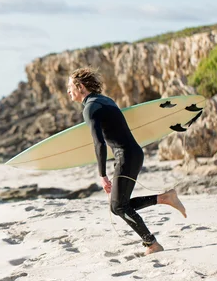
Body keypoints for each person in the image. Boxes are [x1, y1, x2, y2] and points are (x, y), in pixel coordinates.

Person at [66, 67, 187, 255]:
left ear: (80, 86)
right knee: (119, 205)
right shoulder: (106, 101)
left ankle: (152, 243)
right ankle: (165, 198)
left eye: (70, 87)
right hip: (132, 153)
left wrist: (102, 175)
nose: (68, 92)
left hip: (125, 156)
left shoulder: (89, 108)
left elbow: (99, 143)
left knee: (118, 206)